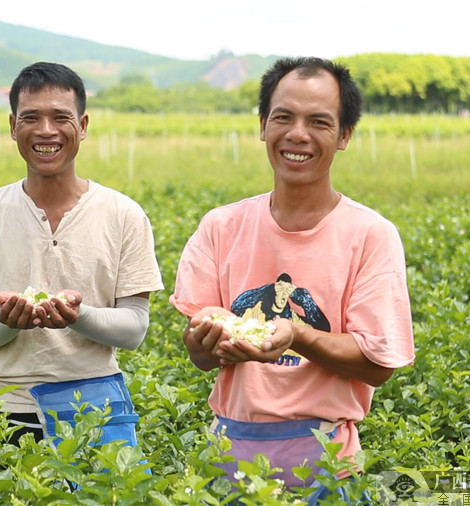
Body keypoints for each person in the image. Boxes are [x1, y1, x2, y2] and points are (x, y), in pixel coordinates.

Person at [169, 56, 414, 501]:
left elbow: (379, 365)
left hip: (325, 461)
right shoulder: (221, 226)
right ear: (263, 125)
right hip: (227, 456)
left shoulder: (369, 235)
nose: (297, 134)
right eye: (283, 117)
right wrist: (205, 343)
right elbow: (201, 356)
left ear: (344, 136)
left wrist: (298, 336)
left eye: (318, 121)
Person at [0, 62, 163, 446]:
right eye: (31, 118)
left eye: (60, 117)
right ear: (13, 127)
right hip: (5, 413)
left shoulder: (123, 214)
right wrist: (9, 320)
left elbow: (134, 329)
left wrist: (79, 316)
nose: (46, 131)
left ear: (83, 125)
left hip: (97, 409)